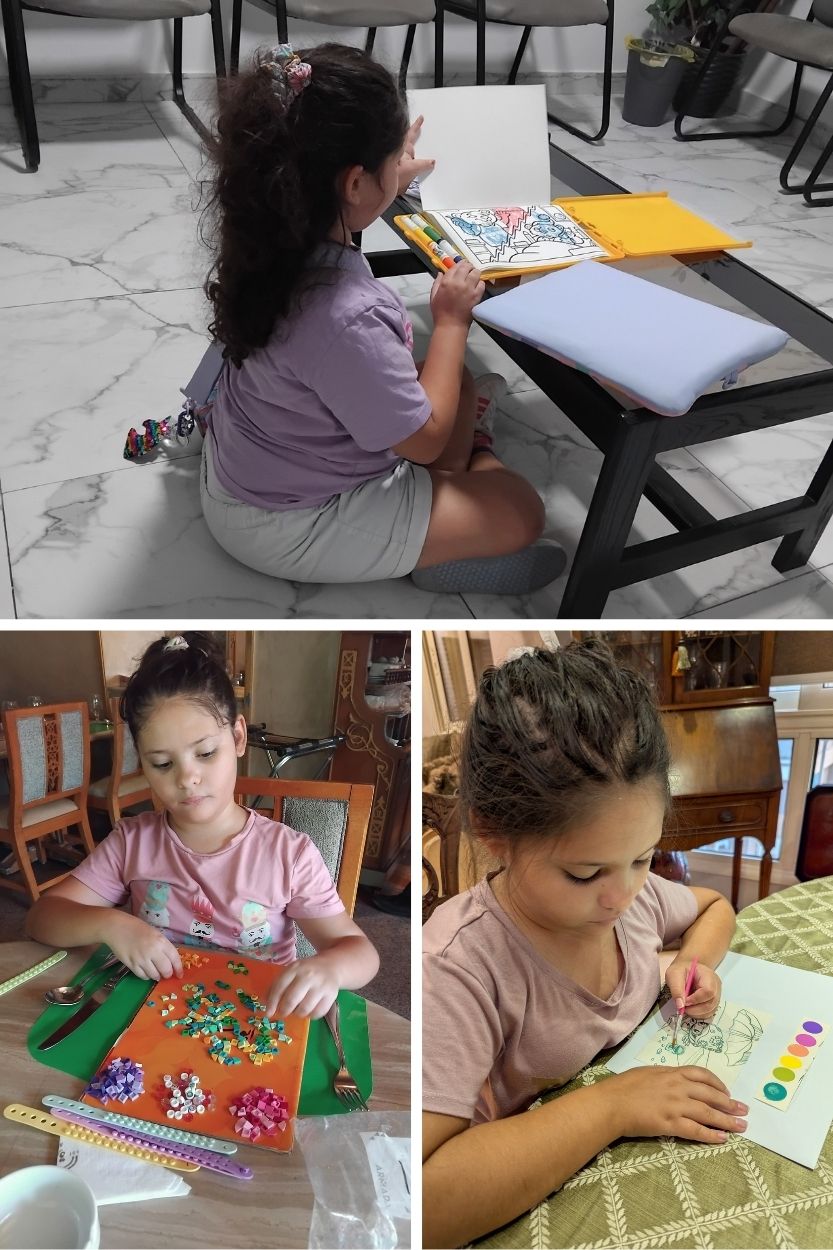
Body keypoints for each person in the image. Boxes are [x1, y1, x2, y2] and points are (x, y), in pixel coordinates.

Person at [199, 42, 565, 597]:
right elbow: (421, 442)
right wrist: (450, 323)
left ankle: (444, 502)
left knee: (455, 381)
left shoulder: (271, 232)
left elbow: (341, 206)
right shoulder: (345, 315)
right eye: (395, 161)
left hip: (251, 471)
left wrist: (389, 173)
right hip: (288, 522)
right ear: (353, 183)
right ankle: (448, 523)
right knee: (522, 510)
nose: (402, 168)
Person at [422, 640, 742, 1248]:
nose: (621, 896)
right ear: (496, 836)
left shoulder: (632, 897)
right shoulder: (457, 969)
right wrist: (613, 1106)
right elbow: (426, 1203)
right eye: (584, 874)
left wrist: (693, 963)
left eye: (644, 857)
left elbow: (715, 908)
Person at [26, 633, 379, 1020]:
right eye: (162, 763)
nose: (187, 778)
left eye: (206, 753)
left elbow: (359, 952)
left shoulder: (288, 854)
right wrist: (112, 923)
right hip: (157, 1017)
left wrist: (331, 968)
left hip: (256, 1021)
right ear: (141, 763)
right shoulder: (132, 842)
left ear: (238, 737)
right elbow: (43, 918)